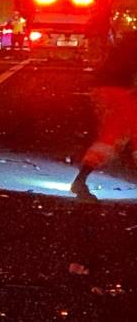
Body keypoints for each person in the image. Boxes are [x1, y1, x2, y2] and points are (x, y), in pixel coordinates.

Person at [70, 32, 137, 201]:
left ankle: (81, 179)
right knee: (126, 129)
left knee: (115, 133)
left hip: (107, 88)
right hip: (118, 90)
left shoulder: (129, 39)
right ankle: (80, 180)